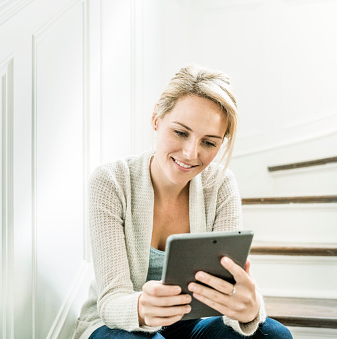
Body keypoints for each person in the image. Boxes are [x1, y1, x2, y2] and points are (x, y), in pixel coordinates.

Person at [73, 64, 292, 339]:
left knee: (272, 335)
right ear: (156, 119)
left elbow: (229, 289)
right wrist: (143, 306)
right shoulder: (111, 181)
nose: (190, 153)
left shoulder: (221, 185)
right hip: (118, 325)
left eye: (209, 143)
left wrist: (249, 309)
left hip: (192, 321)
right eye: (180, 132)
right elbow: (111, 301)